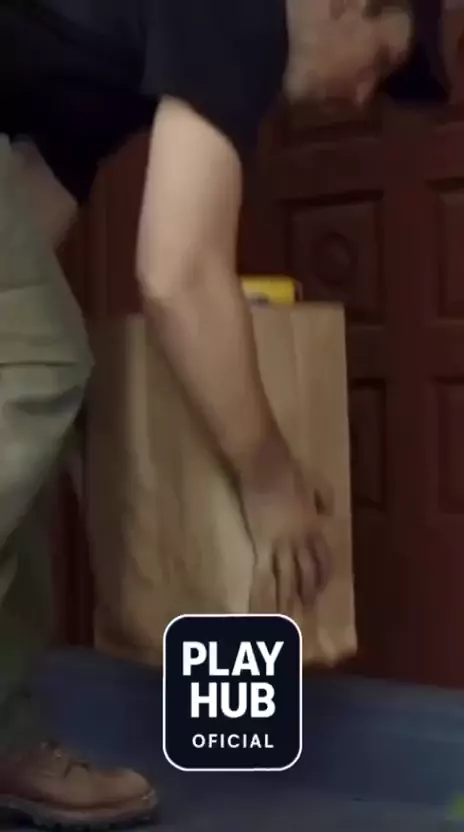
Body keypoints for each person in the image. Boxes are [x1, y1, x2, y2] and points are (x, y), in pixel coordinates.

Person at [0, 0, 415, 827]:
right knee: (38, 366)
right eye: (378, 63)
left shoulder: (106, 83)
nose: (362, 96)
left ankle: (5, 738)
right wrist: (271, 482)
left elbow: (27, 229)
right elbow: (177, 276)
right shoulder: (242, 13)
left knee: (26, 376)